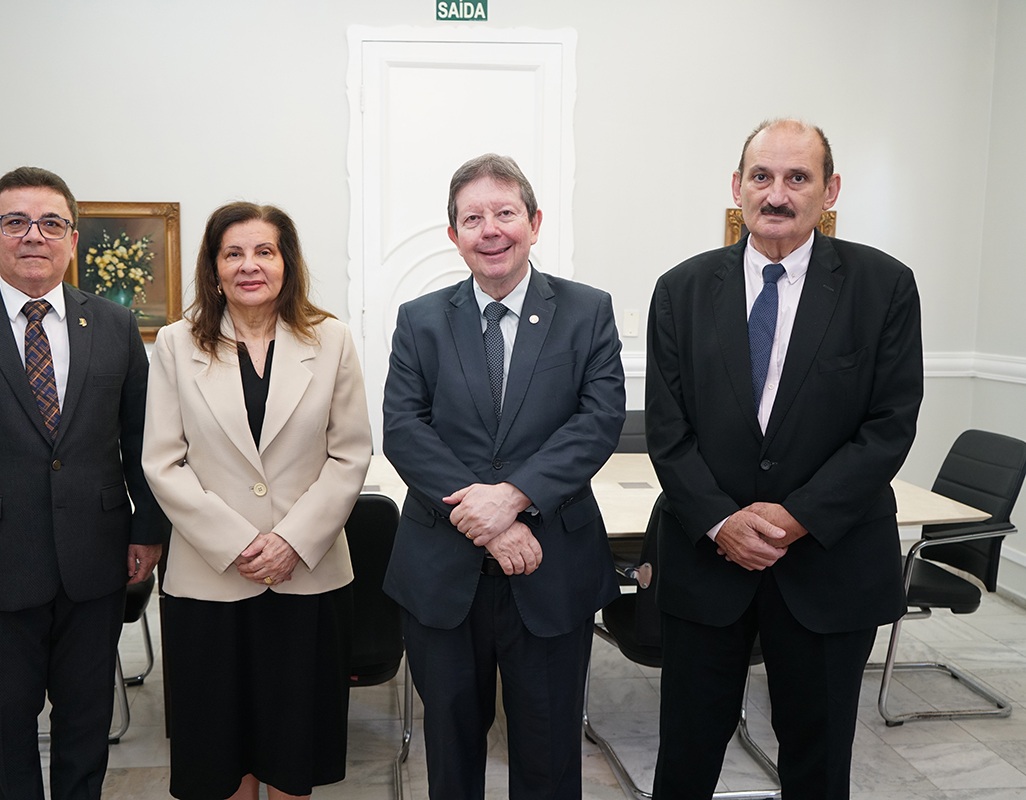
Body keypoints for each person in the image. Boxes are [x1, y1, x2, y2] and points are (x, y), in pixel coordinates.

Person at [646, 119, 924, 799]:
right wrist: (721, 521)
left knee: (818, 760)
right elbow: (666, 428)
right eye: (762, 177)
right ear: (736, 187)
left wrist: (796, 516)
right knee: (685, 755)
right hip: (705, 559)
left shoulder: (883, 287)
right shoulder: (680, 290)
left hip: (829, 565)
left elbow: (888, 427)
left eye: (797, 178)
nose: (777, 193)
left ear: (829, 192)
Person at [0, 166, 168, 800]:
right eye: (15, 222)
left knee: (85, 725)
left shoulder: (115, 326)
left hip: (95, 563)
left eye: (51, 222)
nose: (33, 236)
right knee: (4, 729)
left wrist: (148, 533)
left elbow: (141, 440)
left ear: (73, 238)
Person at [382, 154, 626, 799]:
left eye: (505, 213)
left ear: (535, 222)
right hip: (442, 569)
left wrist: (513, 499)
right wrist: (490, 526)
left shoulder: (587, 311)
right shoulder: (420, 319)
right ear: (454, 234)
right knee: (452, 748)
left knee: (548, 752)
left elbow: (598, 422)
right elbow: (405, 430)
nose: (490, 229)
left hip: (553, 566)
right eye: (472, 218)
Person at [142, 202, 371, 800]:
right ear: (213, 268)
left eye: (264, 251)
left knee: (296, 744)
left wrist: (292, 541)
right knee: (221, 748)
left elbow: (350, 455)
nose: (250, 266)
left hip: (308, 575)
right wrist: (240, 541)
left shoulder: (333, 340)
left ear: (287, 264)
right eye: (233, 253)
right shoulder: (174, 345)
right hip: (211, 579)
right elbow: (162, 461)